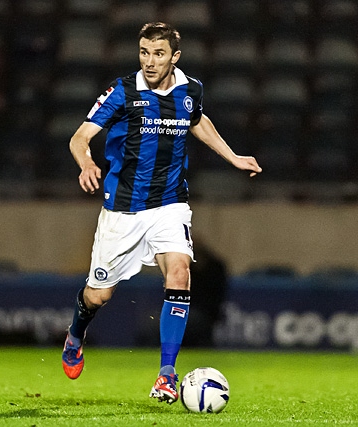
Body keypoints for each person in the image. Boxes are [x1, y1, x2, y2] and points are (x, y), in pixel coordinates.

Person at [61, 22, 261, 405]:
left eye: (158, 54)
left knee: (181, 273)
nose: (149, 62)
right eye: (143, 52)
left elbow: (198, 120)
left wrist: (233, 157)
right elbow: (80, 137)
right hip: (123, 209)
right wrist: (86, 163)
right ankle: (75, 332)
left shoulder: (190, 90)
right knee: (98, 295)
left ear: (175, 57)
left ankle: (166, 374)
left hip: (170, 203)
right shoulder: (122, 91)